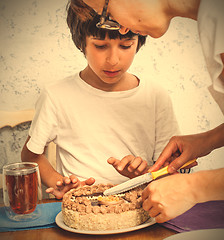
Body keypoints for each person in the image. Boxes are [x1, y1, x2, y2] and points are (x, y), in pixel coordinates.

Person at [72, 0, 224, 222]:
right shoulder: (214, 18)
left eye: (107, 13)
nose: (123, 29)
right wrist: (210, 139)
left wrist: (192, 187)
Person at [21, 2, 180, 200]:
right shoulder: (56, 95)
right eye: (100, 46)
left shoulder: (155, 96)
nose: (113, 60)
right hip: (81, 208)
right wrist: (61, 184)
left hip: (139, 207)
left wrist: (143, 175)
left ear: (139, 40)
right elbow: (30, 155)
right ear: (81, 43)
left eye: (125, 45)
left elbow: (168, 170)